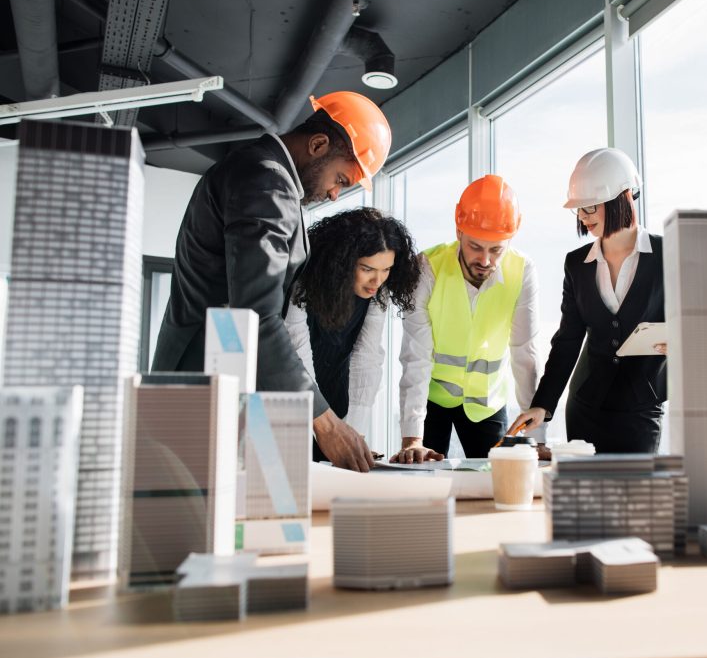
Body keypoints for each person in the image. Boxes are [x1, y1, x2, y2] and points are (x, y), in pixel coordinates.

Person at [151, 91, 391, 472]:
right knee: (197, 521)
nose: (333, 194)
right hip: (205, 383)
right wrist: (326, 423)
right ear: (318, 144)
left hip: (221, 380)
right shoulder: (267, 182)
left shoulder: (259, 173)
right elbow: (256, 314)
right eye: (340, 180)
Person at [507, 148, 667, 454]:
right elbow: (567, 341)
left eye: (589, 208)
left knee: (635, 498)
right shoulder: (577, 264)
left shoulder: (666, 254)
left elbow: (692, 324)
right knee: (585, 499)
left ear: (621, 198)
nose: (582, 217)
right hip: (585, 408)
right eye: (579, 210)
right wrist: (542, 405)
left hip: (641, 409)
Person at [391, 175, 547, 463]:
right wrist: (413, 438)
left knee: (496, 481)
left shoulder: (522, 271)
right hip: (432, 399)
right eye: (476, 246)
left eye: (496, 249)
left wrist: (536, 438)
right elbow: (417, 356)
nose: (485, 260)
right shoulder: (427, 268)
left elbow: (525, 352)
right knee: (425, 480)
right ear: (459, 231)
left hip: (487, 404)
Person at [284, 208, 422, 463]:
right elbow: (296, 351)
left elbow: (366, 361)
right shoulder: (303, 284)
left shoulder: (377, 295)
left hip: (336, 400)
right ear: (343, 261)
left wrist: (353, 434)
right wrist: (324, 427)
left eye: (386, 270)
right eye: (367, 268)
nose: (377, 280)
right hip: (291, 401)